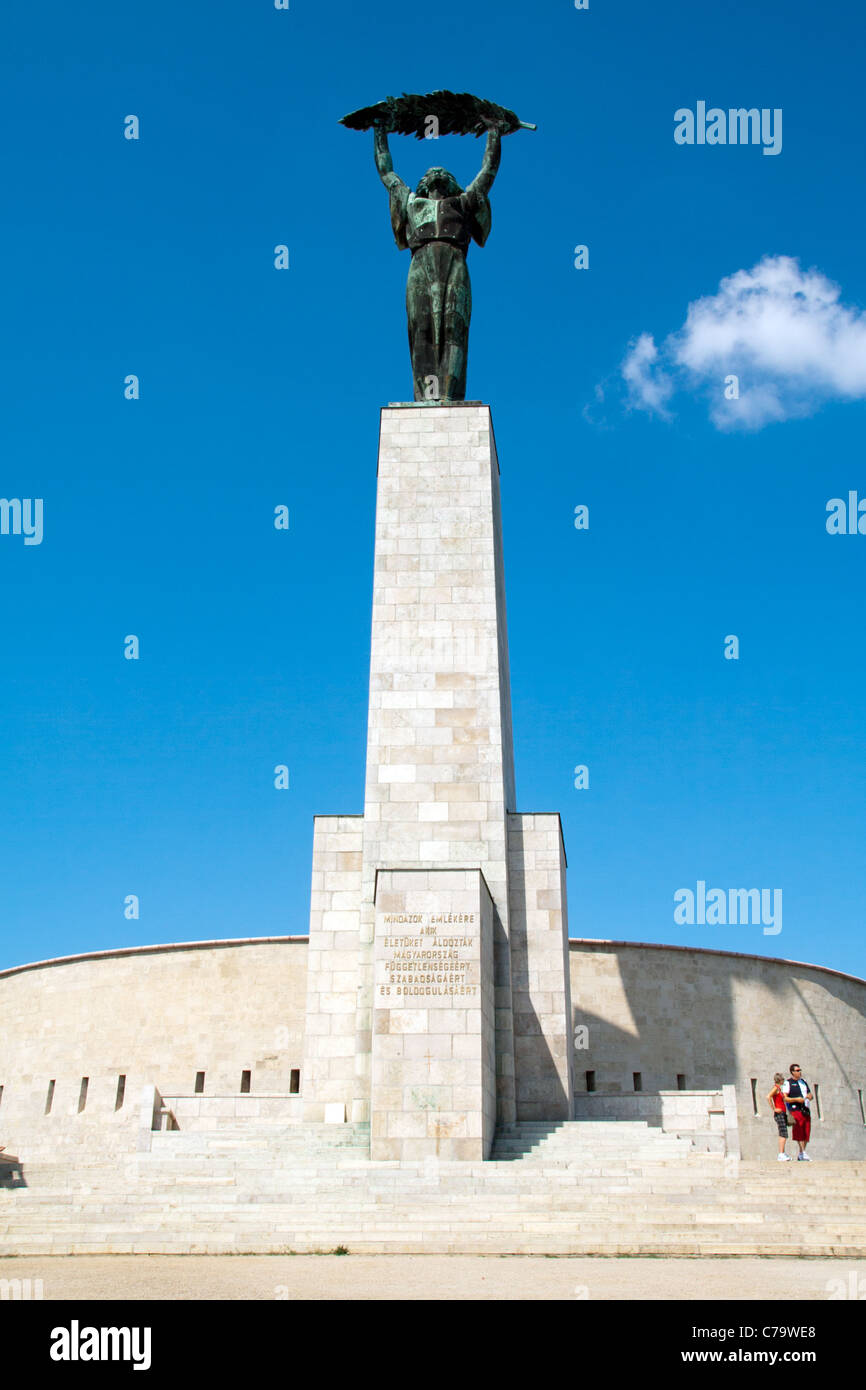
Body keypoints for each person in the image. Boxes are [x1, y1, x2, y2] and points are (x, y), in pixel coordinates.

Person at [374, 119, 502, 402]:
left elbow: (487, 173)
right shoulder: (411, 203)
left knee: (452, 328)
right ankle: (426, 396)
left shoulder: (462, 203)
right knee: (421, 328)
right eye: (431, 171)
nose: (436, 171)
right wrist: (379, 130)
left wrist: (494, 132)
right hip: (420, 264)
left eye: (443, 171)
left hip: (454, 262)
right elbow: (387, 173)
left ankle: (448, 394)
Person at [782, 1063, 813, 1160]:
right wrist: (796, 1099)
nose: (799, 1072)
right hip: (795, 1109)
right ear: (792, 1072)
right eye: (797, 1070)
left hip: (805, 1109)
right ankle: (803, 1152)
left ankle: (801, 1153)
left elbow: (810, 1093)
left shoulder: (803, 1082)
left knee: (806, 1131)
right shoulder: (788, 1083)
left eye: (800, 1070)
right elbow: (785, 1098)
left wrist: (809, 1096)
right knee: (799, 1130)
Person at [767, 1073, 791, 1160]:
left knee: (783, 1132)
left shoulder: (779, 1089)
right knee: (783, 1133)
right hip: (779, 1113)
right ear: (780, 1080)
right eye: (782, 1079)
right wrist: (774, 1108)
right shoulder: (776, 1088)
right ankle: (781, 1154)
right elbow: (768, 1096)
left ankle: (782, 1153)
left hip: (783, 1112)